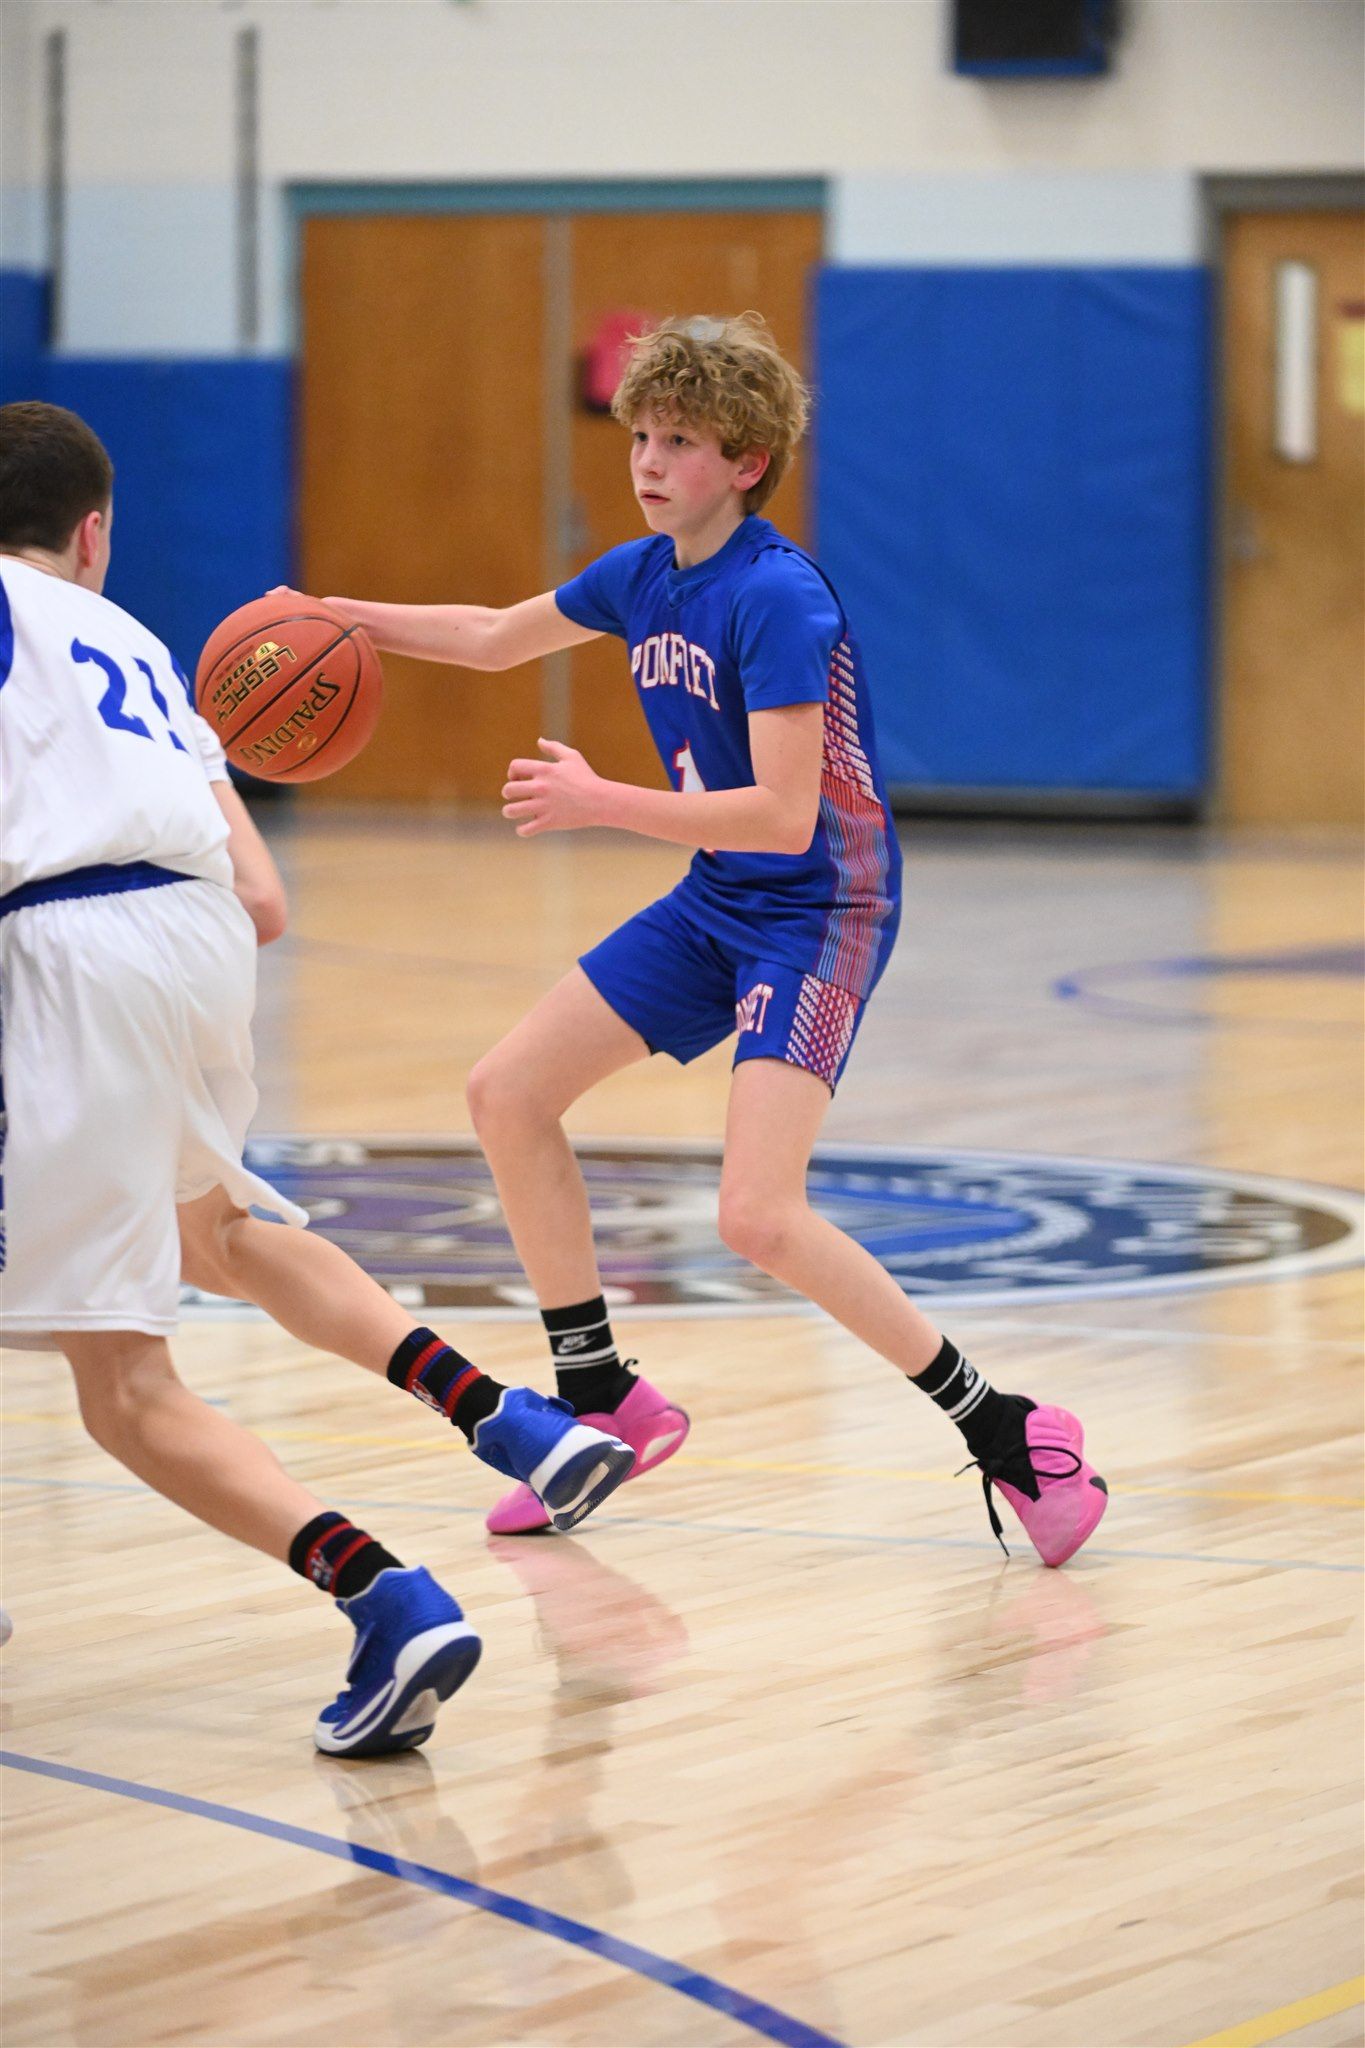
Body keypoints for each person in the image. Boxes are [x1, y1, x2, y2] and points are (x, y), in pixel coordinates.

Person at [325, 314, 1108, 1568]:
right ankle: (603, 1399)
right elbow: (485, 636)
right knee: (507, 1092)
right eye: (640, 434)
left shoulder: (777, 596)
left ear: (745, 460)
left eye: (679, 440)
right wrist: (329, 615)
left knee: (760, 1213)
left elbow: (785, 812)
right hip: (718, 894)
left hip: (816, 905)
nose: (648, 459)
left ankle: (1010, 1430)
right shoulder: (642, 572)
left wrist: (599, 803)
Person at [0, 399, 636, 1757]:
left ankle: (383, 1596)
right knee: (218, 1228)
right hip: (198, 940)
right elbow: (266, 899)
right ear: (94, 534)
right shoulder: (150, 656)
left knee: (122, 1386)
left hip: (65, 955)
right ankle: (505, 1416)